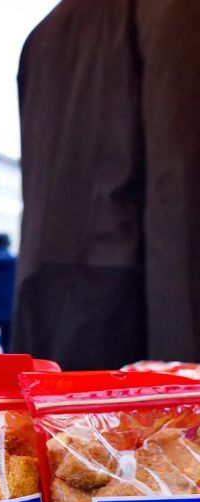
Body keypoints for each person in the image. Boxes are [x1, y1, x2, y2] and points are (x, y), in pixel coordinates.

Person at [15, 0, 200, 368]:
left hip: (48, 308)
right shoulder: (173, 10)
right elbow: (178, 189)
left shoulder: (41, 35)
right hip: (139, 323)